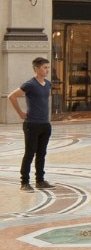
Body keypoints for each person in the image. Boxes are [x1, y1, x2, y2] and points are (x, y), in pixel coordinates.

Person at [8, 57, 54, 192]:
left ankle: (40, 180)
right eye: (45, 67)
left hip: (45, 124)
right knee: (29, 153)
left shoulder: (48, 84)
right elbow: (12, 96)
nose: (47, 70)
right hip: (32, 124)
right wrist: (20, 113)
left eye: (48, 67)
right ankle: (24, 182)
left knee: (42, 153)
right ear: (36, 69)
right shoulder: (30, 84)